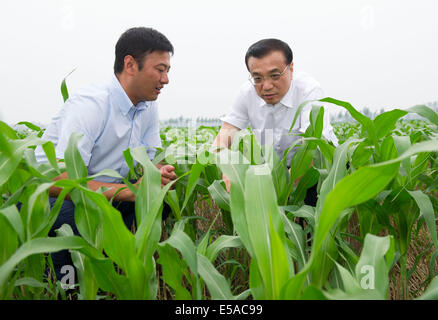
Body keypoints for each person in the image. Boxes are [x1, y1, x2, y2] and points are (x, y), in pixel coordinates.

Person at [32, 27, 177, 281]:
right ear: (130, 64)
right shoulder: (90, 107)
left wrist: (157, 175)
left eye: (167, 71)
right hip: (54, 199)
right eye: (160, 69)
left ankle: (114, 269)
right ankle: (65, 283)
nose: (165, 79)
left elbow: (151, 161)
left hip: (104, 195)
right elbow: (56, 180)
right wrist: (130, 192)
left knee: (158, 203)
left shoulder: (147, 107)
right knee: (77, 220)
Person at [213, 38, 338, 198]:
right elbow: (223, 138)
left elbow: (312, 150)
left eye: (275, 75)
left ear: (291, 68)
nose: (266, 86)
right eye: (257, 78)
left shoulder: (308, 90)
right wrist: (229, 170)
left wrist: (272, 186)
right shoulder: (246, 93)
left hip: (316, 169)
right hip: (275, 169)